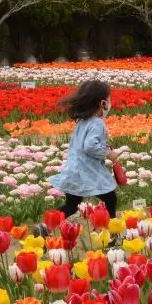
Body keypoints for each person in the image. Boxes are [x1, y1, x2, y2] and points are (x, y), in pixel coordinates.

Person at [46, 80, 120, 224]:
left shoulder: (82, 121)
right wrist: (108, 153)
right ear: (102, 103)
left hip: (74, 172)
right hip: (89, 173)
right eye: (109, 100)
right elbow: (90, 146)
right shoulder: (97, 123)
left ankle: (47, 224)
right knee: (111, 199)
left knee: (71, 206)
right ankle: (112, 230)